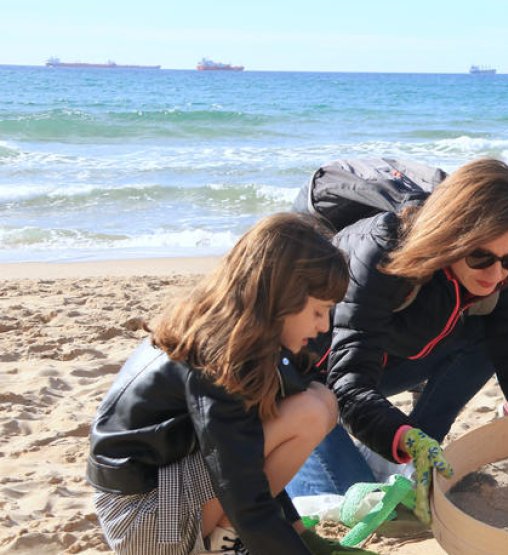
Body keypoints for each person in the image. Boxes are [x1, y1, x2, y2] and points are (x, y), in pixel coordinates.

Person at [288, 158, 508, 525]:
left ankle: (407, 452)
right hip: (308, 384)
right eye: (480, 256)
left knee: (392, 500)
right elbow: (348, 382)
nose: (497, 273)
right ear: (451, 235)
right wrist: (402, 435)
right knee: (356, 509)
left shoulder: (504, 272)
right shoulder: (383, 250)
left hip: (379, 366)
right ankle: (389, 445)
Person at [87, 213, 374, 555]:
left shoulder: (234, 334)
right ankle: (220, 543)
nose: (324, 325)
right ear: (283, 296)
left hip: (165, 490)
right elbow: (240, 483)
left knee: (319, 400)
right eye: (318, 311)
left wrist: (300, 536)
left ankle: (231, 536)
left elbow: (249, 454)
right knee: (309, 412)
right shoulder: (219, 359)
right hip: (144, 523)